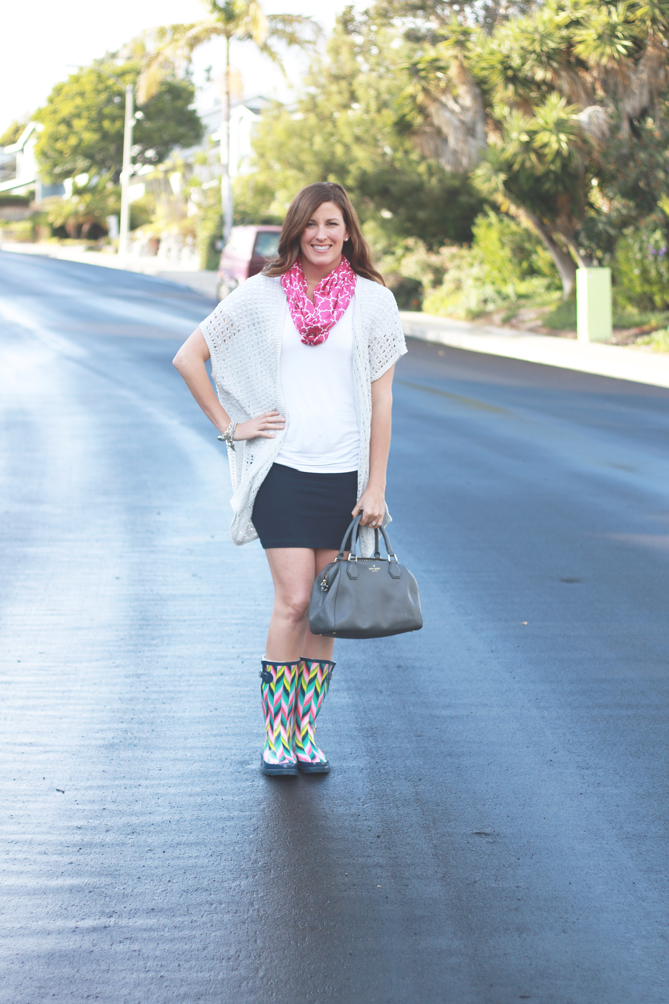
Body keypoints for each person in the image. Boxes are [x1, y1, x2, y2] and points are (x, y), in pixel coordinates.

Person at [173, 181, 406, 776]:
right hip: (283, 470)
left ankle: (306, 734)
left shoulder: (374, 303)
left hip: (343, 476)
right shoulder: (261, 295)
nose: (323, 235)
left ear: (349, 231)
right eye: (312, 225)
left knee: (326, 610)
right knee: (295, 600)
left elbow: (382, 404)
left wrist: (375, 485)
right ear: (296, 231)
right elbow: (189, 356)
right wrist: (233, 426)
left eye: (333, 224)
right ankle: (276, 736)